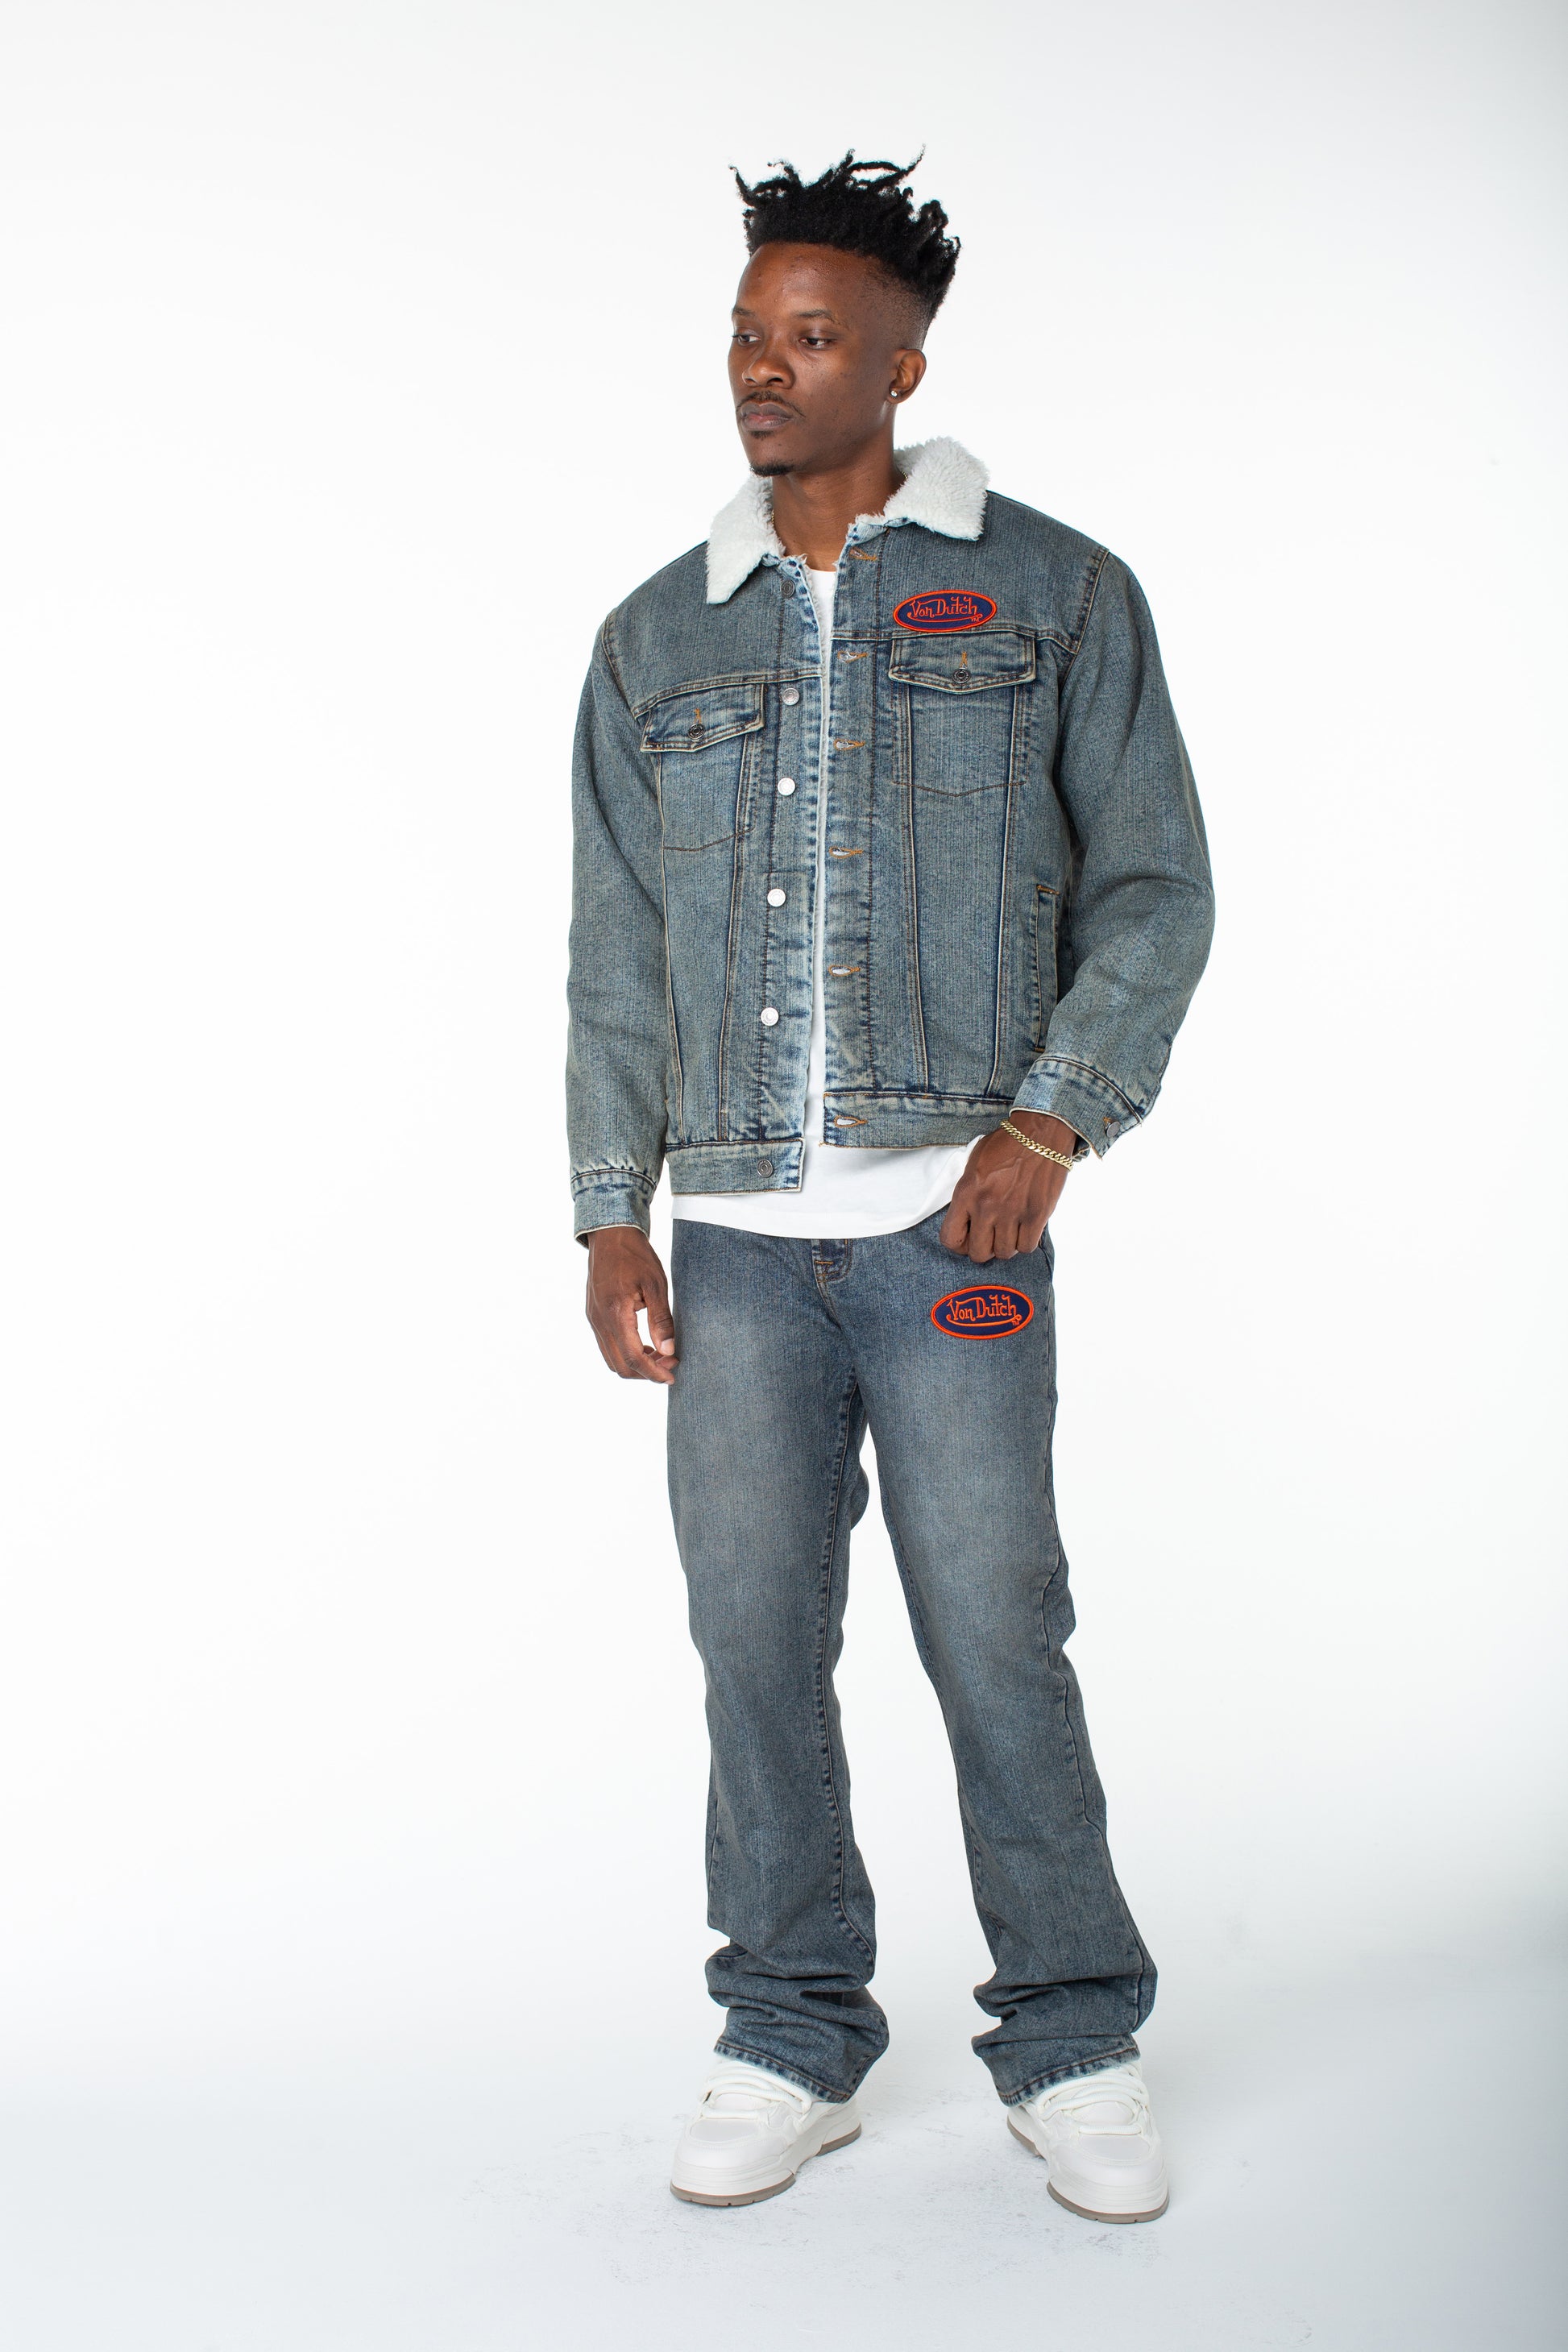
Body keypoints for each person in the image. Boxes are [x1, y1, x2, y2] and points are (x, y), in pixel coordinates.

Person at [566, 154, 1213, 2221]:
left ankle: (1073, 2031)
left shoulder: (1056, 594)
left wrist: (1050, 1121)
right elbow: (613, 950)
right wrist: (610, 1207)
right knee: (752, 1642)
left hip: (956, 1234)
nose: (763, 368)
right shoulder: (653, 636)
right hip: (740, 1243)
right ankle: (789, 2025)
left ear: (902, 366)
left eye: (811, 335)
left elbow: (1155, 889)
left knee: (997, 1630)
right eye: (746, 334)